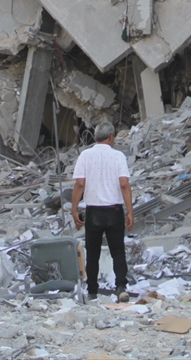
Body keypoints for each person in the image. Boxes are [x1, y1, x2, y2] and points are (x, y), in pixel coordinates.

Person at [71, 122, 134, 302]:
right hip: (114, 210)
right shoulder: (118, 156)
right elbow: (124, 184)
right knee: (118, 251)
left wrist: (74, 209)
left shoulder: (85, 155)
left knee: (92, 253)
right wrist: (130, 211)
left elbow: (79, 184)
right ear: (111, 136)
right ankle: (121, 287)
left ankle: (92, 291)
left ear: (94, 137)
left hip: (93, 211)